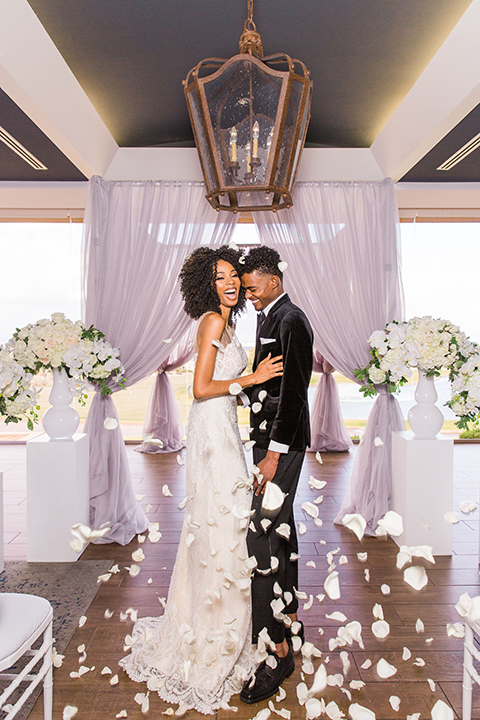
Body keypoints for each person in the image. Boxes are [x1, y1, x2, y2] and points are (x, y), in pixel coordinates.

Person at [120, 245, 283, 714]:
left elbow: (216, 392)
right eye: (220, 278)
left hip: (222, 428)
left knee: (224, 526)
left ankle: (226, 624)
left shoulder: (229, 322)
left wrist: (247, 391)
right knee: (224, 526)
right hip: (212, 436)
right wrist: (251, 380)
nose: (231, 283)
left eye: (234, 275)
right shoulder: (212, 322)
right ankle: (214, 632)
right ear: (205, 287)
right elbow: (201, 388)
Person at [239, 245, 314, 704]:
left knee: (261, 537)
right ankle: (290, 621)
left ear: (272, 280)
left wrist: (272, 454)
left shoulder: (291, 320)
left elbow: (293, 393)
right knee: (280, 531)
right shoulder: (271, 315)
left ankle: (278, 652)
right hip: (269, 443)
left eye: (251, 287)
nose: (247, 295)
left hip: (280, 447)